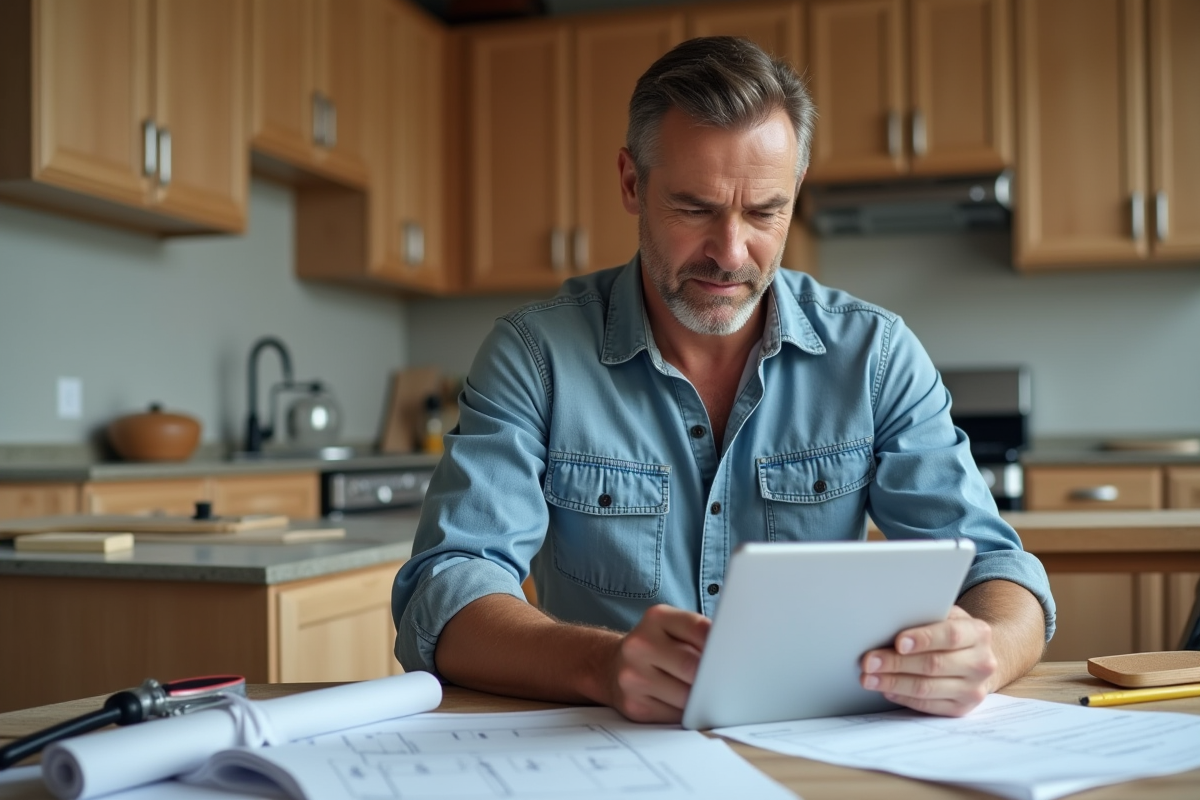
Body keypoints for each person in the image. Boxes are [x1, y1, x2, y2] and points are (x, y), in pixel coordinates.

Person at [392, 36, 1055, 723]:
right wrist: (603, 665)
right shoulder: (534, 356)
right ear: (631, 183)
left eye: (765, 211)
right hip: (610, 749)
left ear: (795, 195)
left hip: (823, 750)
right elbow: (444, 591)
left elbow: (997, 572)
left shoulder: (876, 356)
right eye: (695, 208)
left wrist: (988, 651)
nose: (730, 253)